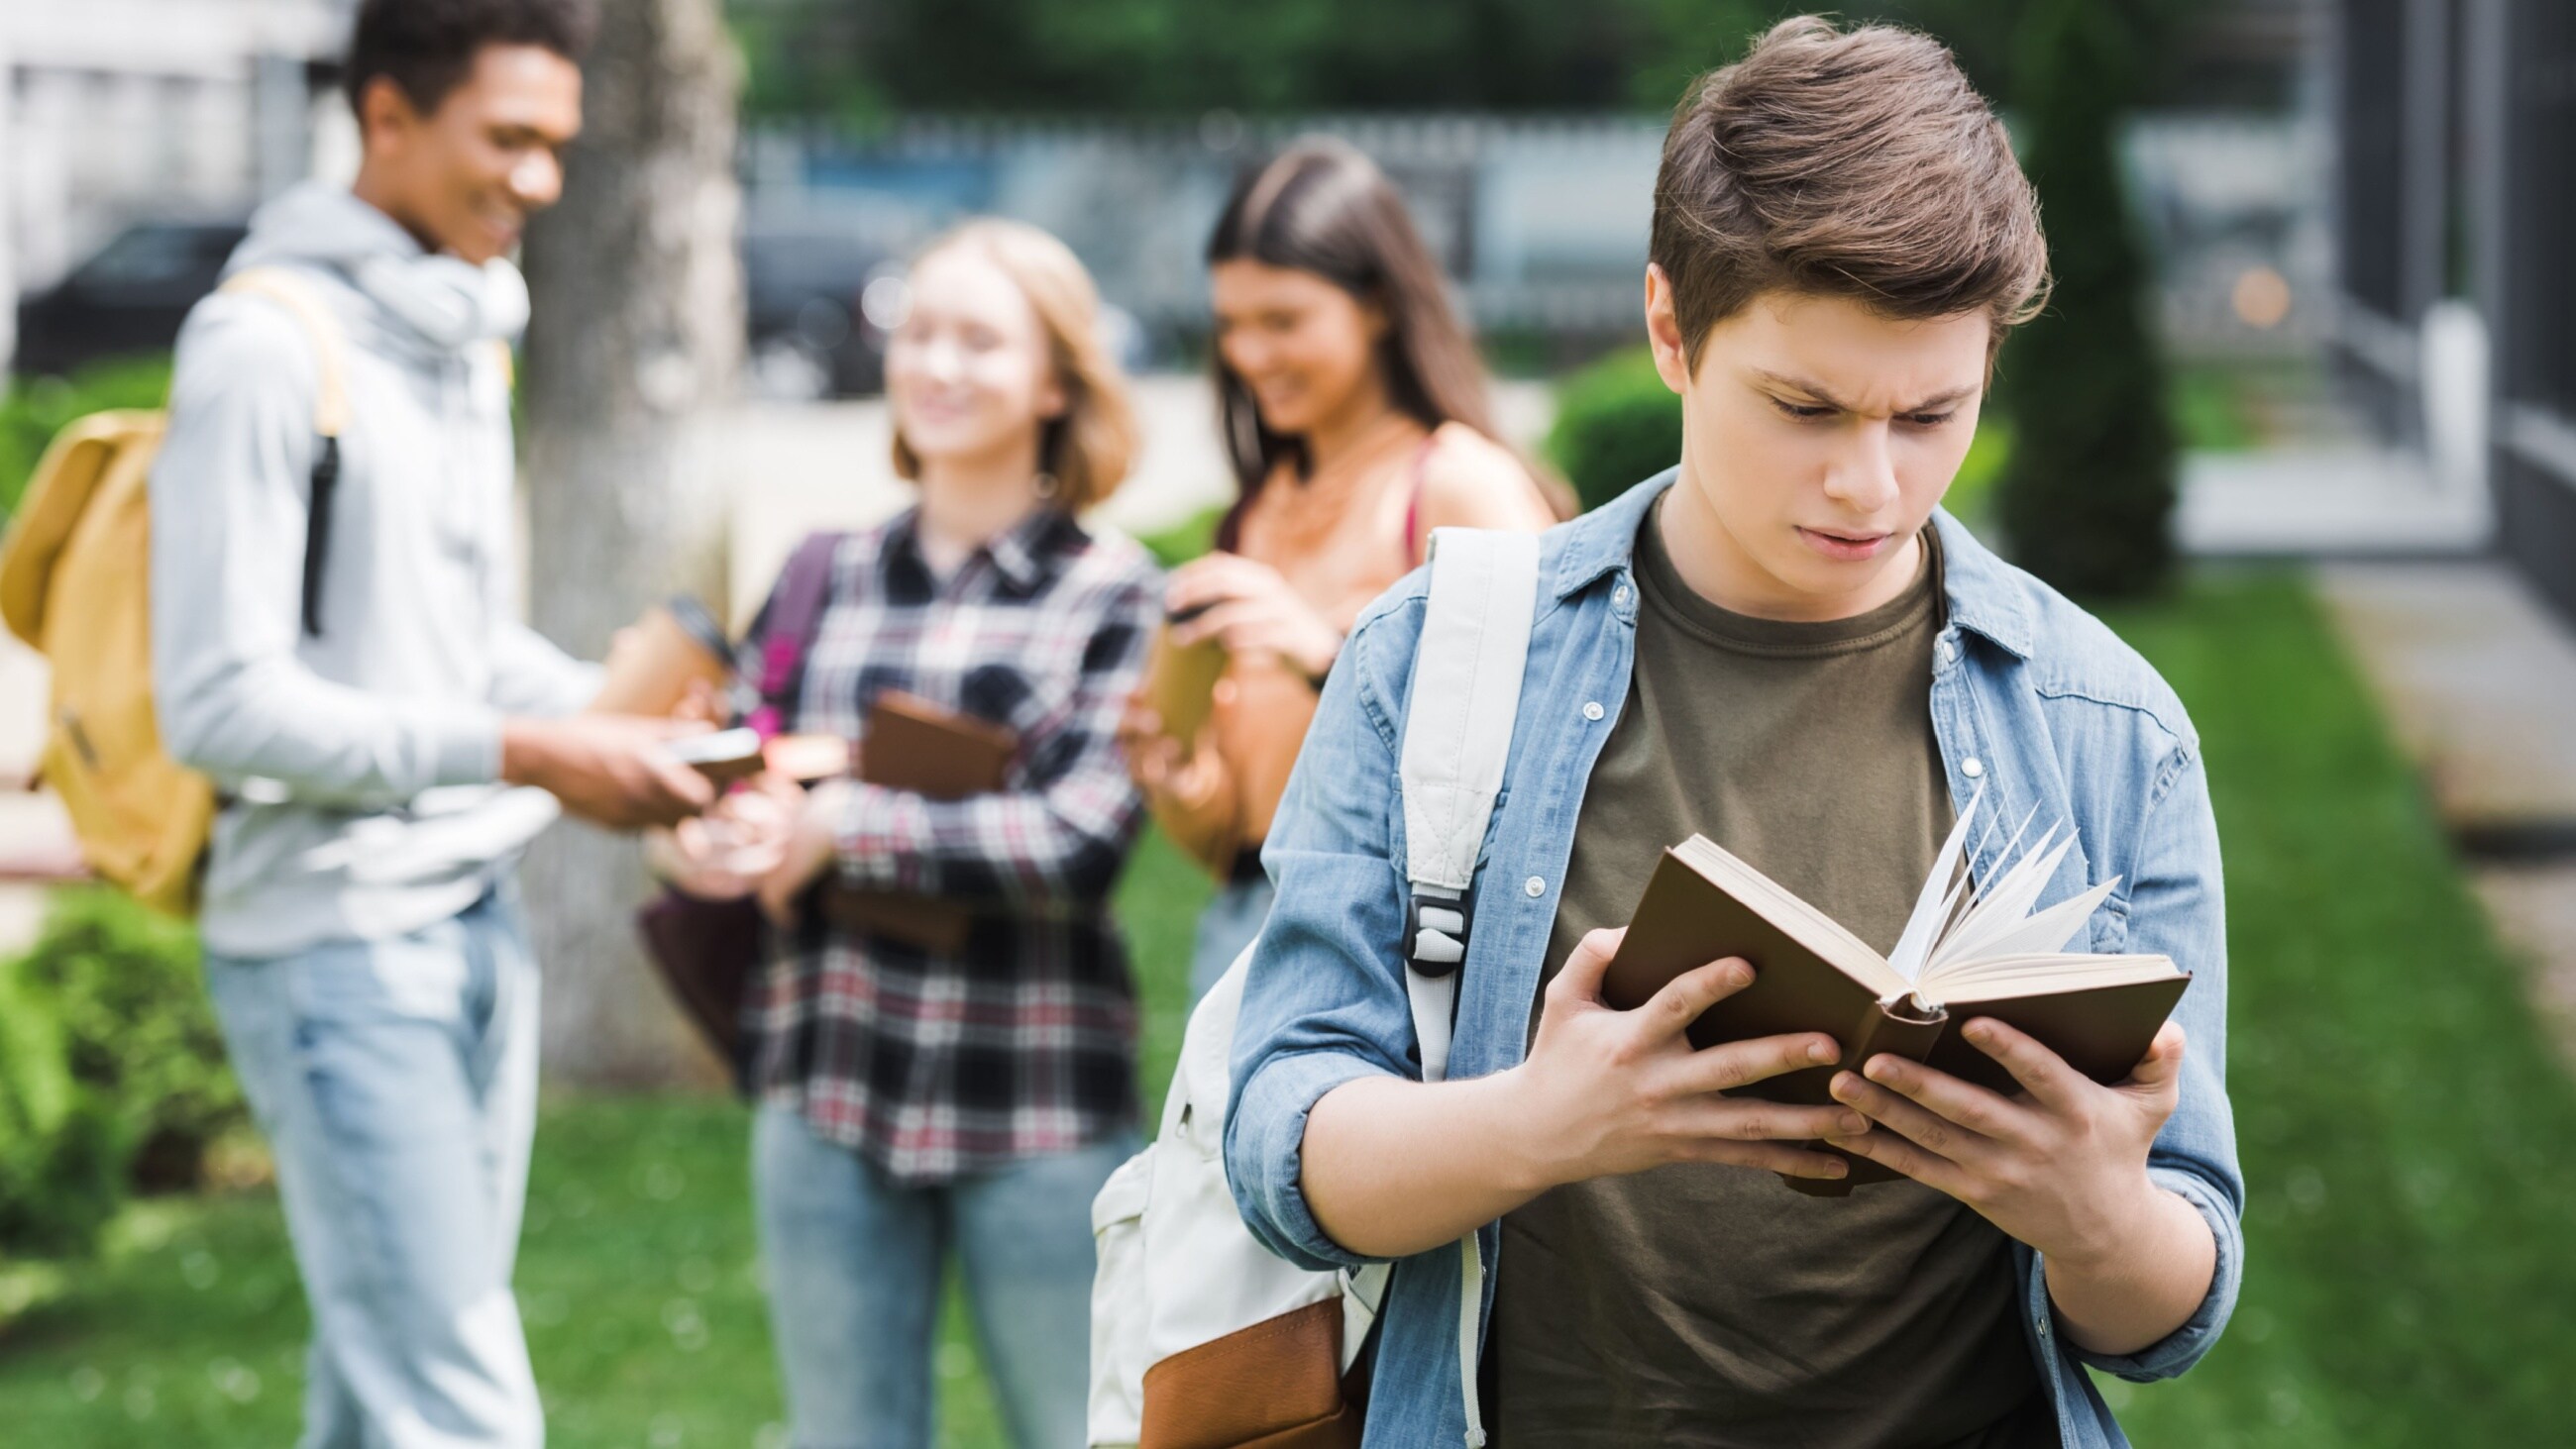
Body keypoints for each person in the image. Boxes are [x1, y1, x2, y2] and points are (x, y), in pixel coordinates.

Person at [1224, 19, 2240, 1449]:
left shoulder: (2109, 726)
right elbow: (1278, 1137)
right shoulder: (1437, 655)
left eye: (1932, 411)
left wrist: (2092, 1211)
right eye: (1803, 404)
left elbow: (2167, 1305)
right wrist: (1541, 1121)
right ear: (1666, 327)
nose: (1867, 480)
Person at [149, 2, 718, 1445]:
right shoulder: (263, 348)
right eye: (507, 139)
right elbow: (218, 702)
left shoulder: (459, 321)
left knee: (382, 1384)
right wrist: (533, 752)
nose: (538, 181)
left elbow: (444, 651)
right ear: (385, 116)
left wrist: (613, 725)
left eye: (557, 148)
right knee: (458, 1400)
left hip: (472, 915)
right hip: (332, 944)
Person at [651, 220, 1162, 1449]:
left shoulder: (1118, 591)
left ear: (1055, 379)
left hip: (1034, 1096)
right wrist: (717, 837)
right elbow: (735, 766)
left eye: (978, 338)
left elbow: (1077, 836)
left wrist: (845, 823)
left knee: (1084, 1429)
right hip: (825, 1084)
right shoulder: (821, 571)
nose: (935, 361)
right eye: (917, 329)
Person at [1123, 139, 1558, 1003]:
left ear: (1378, 307)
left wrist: (1326, 652)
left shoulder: (1452, 481)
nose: (1249, 354)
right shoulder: (1261, 507)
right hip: (1248, 927)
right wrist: (1179, 778)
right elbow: (1238, 836)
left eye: (1282, 321)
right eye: (1231, 325)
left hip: (1391, 943)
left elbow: (1550, 724)